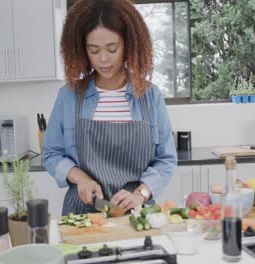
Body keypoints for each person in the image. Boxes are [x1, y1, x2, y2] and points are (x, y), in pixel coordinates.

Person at [43, 0, 177, 215]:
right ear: (82, 49)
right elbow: (51, 153)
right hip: (82, 212)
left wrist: (140, 194)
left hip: (135, 213)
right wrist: (81, 178)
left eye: (112, 49)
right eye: (94, 50)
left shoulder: (150, 96)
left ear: (129, 45)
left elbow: (166, 159)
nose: (103, 59)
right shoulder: (68, 96)